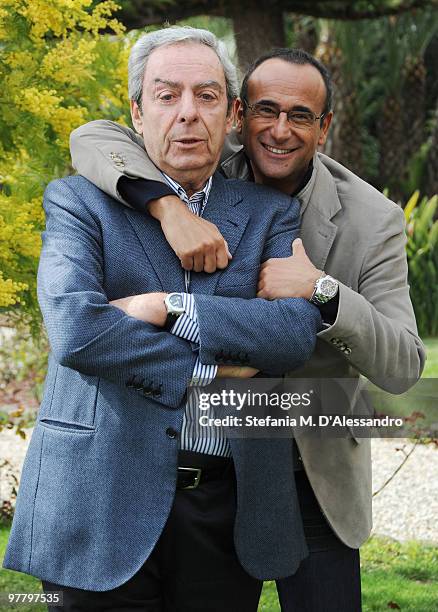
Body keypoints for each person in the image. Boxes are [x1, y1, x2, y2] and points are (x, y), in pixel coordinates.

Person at [69, 46, 426, 611]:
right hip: (213, 461)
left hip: (309, 463)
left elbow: (405, 363)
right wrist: (169, 208)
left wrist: (322, 291)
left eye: (300, 115)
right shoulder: (209, 159)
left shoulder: (372, 219)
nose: (279, 130)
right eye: (266, 110)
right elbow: (91, 138)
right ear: (239, 113)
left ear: (324, 126)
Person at [3, 28, 323, 611]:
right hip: (97, 500)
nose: (186, 114)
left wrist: (169, 309)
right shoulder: (77, 202)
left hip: (226, 511)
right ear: (136, 110)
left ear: (231, 116)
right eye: (166, 94)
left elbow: (292, 335)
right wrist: (212, 365)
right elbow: (77, 330)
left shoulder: (271, 214)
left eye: (206, 96)